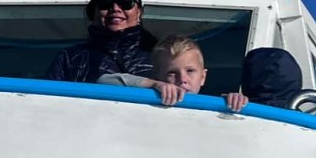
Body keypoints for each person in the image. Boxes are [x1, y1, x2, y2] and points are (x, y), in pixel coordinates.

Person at [47, 0, 158, 83]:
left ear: (139, 12)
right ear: (92, 11)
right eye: (105, 2)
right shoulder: (69, 59)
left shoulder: (162, 55)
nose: (115, 8)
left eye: (125, 1)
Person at [98, 35, 245, 110]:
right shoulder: (150, 99)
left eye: (190, 71)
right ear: (157, 76)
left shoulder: (216, 107)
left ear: (203, 77)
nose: (182, 79)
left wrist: (233, 102)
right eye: (172, 73)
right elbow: (104, 81)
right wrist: (152, 85)